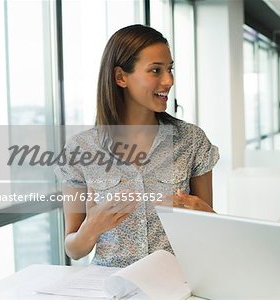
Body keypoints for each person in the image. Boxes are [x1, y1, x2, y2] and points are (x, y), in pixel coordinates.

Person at [54, 24, 219, 267]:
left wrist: (206, 215)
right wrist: (91, 228)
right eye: (155, 70)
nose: (168, 80)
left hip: (175, 283)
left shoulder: (191, 140)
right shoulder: (81, 149)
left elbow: (210, 229)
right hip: (110, 286)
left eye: (170, 69)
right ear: (121, 77)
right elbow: (74, 250)